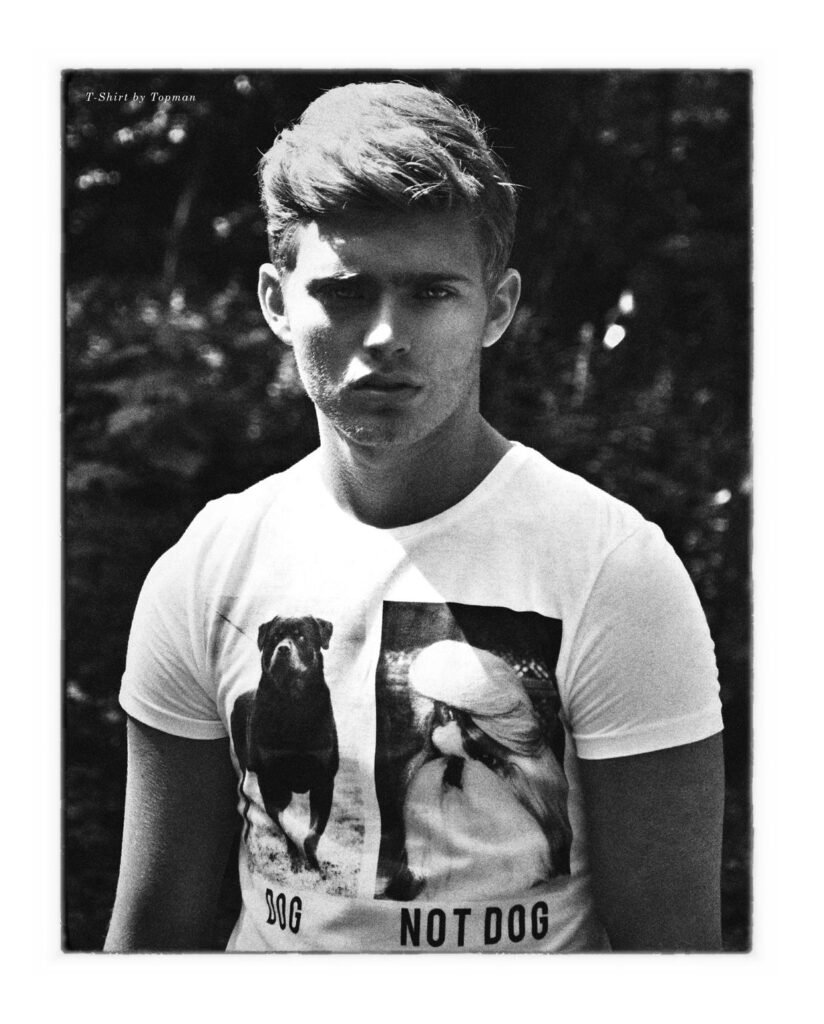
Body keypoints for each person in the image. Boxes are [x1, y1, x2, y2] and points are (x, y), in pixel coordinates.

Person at [104, 81, 724, 953]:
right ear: (277, 301)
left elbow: (675, 958)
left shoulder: (612, 568)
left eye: (432, 293)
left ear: (496, 307)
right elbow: (153, 934)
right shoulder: (209, 564)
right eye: (346, 291)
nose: (385, 334)